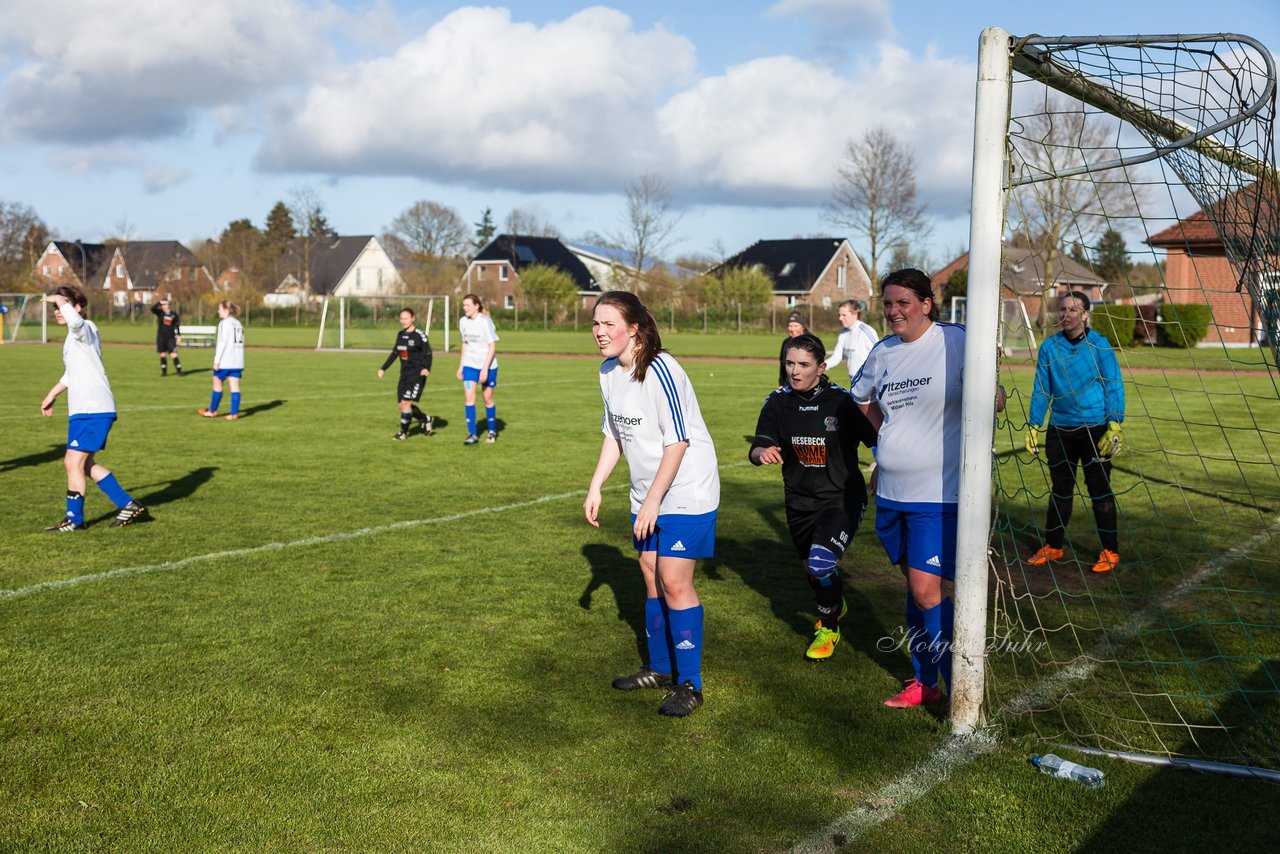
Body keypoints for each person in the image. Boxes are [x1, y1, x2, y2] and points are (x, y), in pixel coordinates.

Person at [584, 290, 720, 717]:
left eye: (609, 324)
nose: (600, 332)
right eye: (595, 323)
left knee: (674, 579)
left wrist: (654, 501)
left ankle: (690, 684)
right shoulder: (608, 372)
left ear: (634, 328)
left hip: (686, 489)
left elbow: (678, 441)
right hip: (647, 489)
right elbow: (614, 434)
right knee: (649, 574)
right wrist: (596, 486)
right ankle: (660, 669)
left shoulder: (661, 369)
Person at [851, 268, 967, 709]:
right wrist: (888, 443)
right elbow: (861, 400)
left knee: (926, 591)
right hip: (892, 493)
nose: (894, 311)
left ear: (926, 303)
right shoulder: (883, 352)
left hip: (936, 495)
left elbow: (987, 393)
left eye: (903, 302)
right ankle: (925, 682)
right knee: (917, 593)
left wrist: (993, 397)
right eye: (888, 304)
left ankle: (961, 684)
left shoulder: (955, 340)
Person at [750, 333, 877, 659]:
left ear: (820, 367)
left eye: (803, 364)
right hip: (798, 501)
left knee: (820, 565)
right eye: (790, 363)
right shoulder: (778, 402)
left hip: (841, 497)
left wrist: (884, 467)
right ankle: (835, 603)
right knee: (814, 571)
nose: (794, 370)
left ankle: (828, 627)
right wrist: (763, 451)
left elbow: (875, 438)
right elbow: (757, 447)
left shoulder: (840, 402)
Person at [1025, 291, 1126, 574]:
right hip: (1060, 429)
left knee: (1099, 490)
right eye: (1062, 309)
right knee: (1060, 491)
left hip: (1095, 430)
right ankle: (1053, 545)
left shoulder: (1100, 346)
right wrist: (1034, 425)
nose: (1066, 315)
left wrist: (1115, 423)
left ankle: (1110, 550)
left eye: (1073, 310)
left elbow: (1113, 385)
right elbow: (1042, 388)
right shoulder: (1049, 347)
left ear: (1085, 314)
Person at [39, 286, 146, 530]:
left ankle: (74, 520)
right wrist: (52, 394)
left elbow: (76, 324)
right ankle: (128, 504)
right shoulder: (72, 337)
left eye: (62, 305)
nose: (57, 310)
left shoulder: (85, 329)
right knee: (84, 464)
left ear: (77, 307)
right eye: (55, 307)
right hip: (84, 410)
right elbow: (71, 373)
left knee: (72, 462)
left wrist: (59, 299)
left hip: (93, 408)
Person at [378, 307, 434, 440]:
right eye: (401, 319)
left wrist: (426, 368)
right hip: (404, 374)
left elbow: (428, 353)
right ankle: (425, 419)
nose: (403, 321)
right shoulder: (400, 335)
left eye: (406, 318)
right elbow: (395, 353)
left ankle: (403, 433)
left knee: (406, 403)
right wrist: (383, 368)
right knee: (402, 405)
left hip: (417, 374)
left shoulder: (420, 335)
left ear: (413, 318)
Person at [456, 294, 499, 445]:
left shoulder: (485, 322)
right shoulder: (462, 321)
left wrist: (485, 369)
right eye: (463, 305)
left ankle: (492, 431)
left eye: (467, 305)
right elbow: (465, 344)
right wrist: (461, 365)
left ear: (476, 306)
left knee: (487, 398)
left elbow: (492, 346)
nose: (464, 308)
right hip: (470, 365)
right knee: (469, 398)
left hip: (488, 365)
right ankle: (472, 434)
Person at [198, 300, 245, 421]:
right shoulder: (238, 323)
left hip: (225, 361)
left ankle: (212, 411)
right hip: (237, 361)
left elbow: (222, 343)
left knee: (217, 385)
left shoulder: (224, 323)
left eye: (220, 309)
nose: (218, 311)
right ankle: (234, 414)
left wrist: (216, 361)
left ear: (226, 310)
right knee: (235, 387)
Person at [827, 299, 880, 380]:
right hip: (854, 381)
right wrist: (820, 367)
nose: (840, 318)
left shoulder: (866, 331)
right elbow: (836, 357)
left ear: (855, 314)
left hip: (870, 382)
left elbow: (880, 354)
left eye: (844, 315)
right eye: (839, 315)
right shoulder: (843, 333)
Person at [151, 297, 182, 376]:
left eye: (167, 304)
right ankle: (164, 372)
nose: (166, 306)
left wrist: (178, 336)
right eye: (164, 304)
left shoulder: (174, 314)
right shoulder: (160, 313)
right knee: (162, 354)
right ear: (162, 305)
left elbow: (177, 325)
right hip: (161, 337)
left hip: (170, 337)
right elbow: (152, 309)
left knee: (173, 354)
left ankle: (179, 371)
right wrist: (159, 302)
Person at [778, 311, 811, 386]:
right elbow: (783, 364)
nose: (792, 329)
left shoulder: (810, 342)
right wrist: (781, 383)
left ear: (803, 327)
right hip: (788, 383)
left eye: (796, 326)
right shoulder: (786, 342)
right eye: (790, 326)